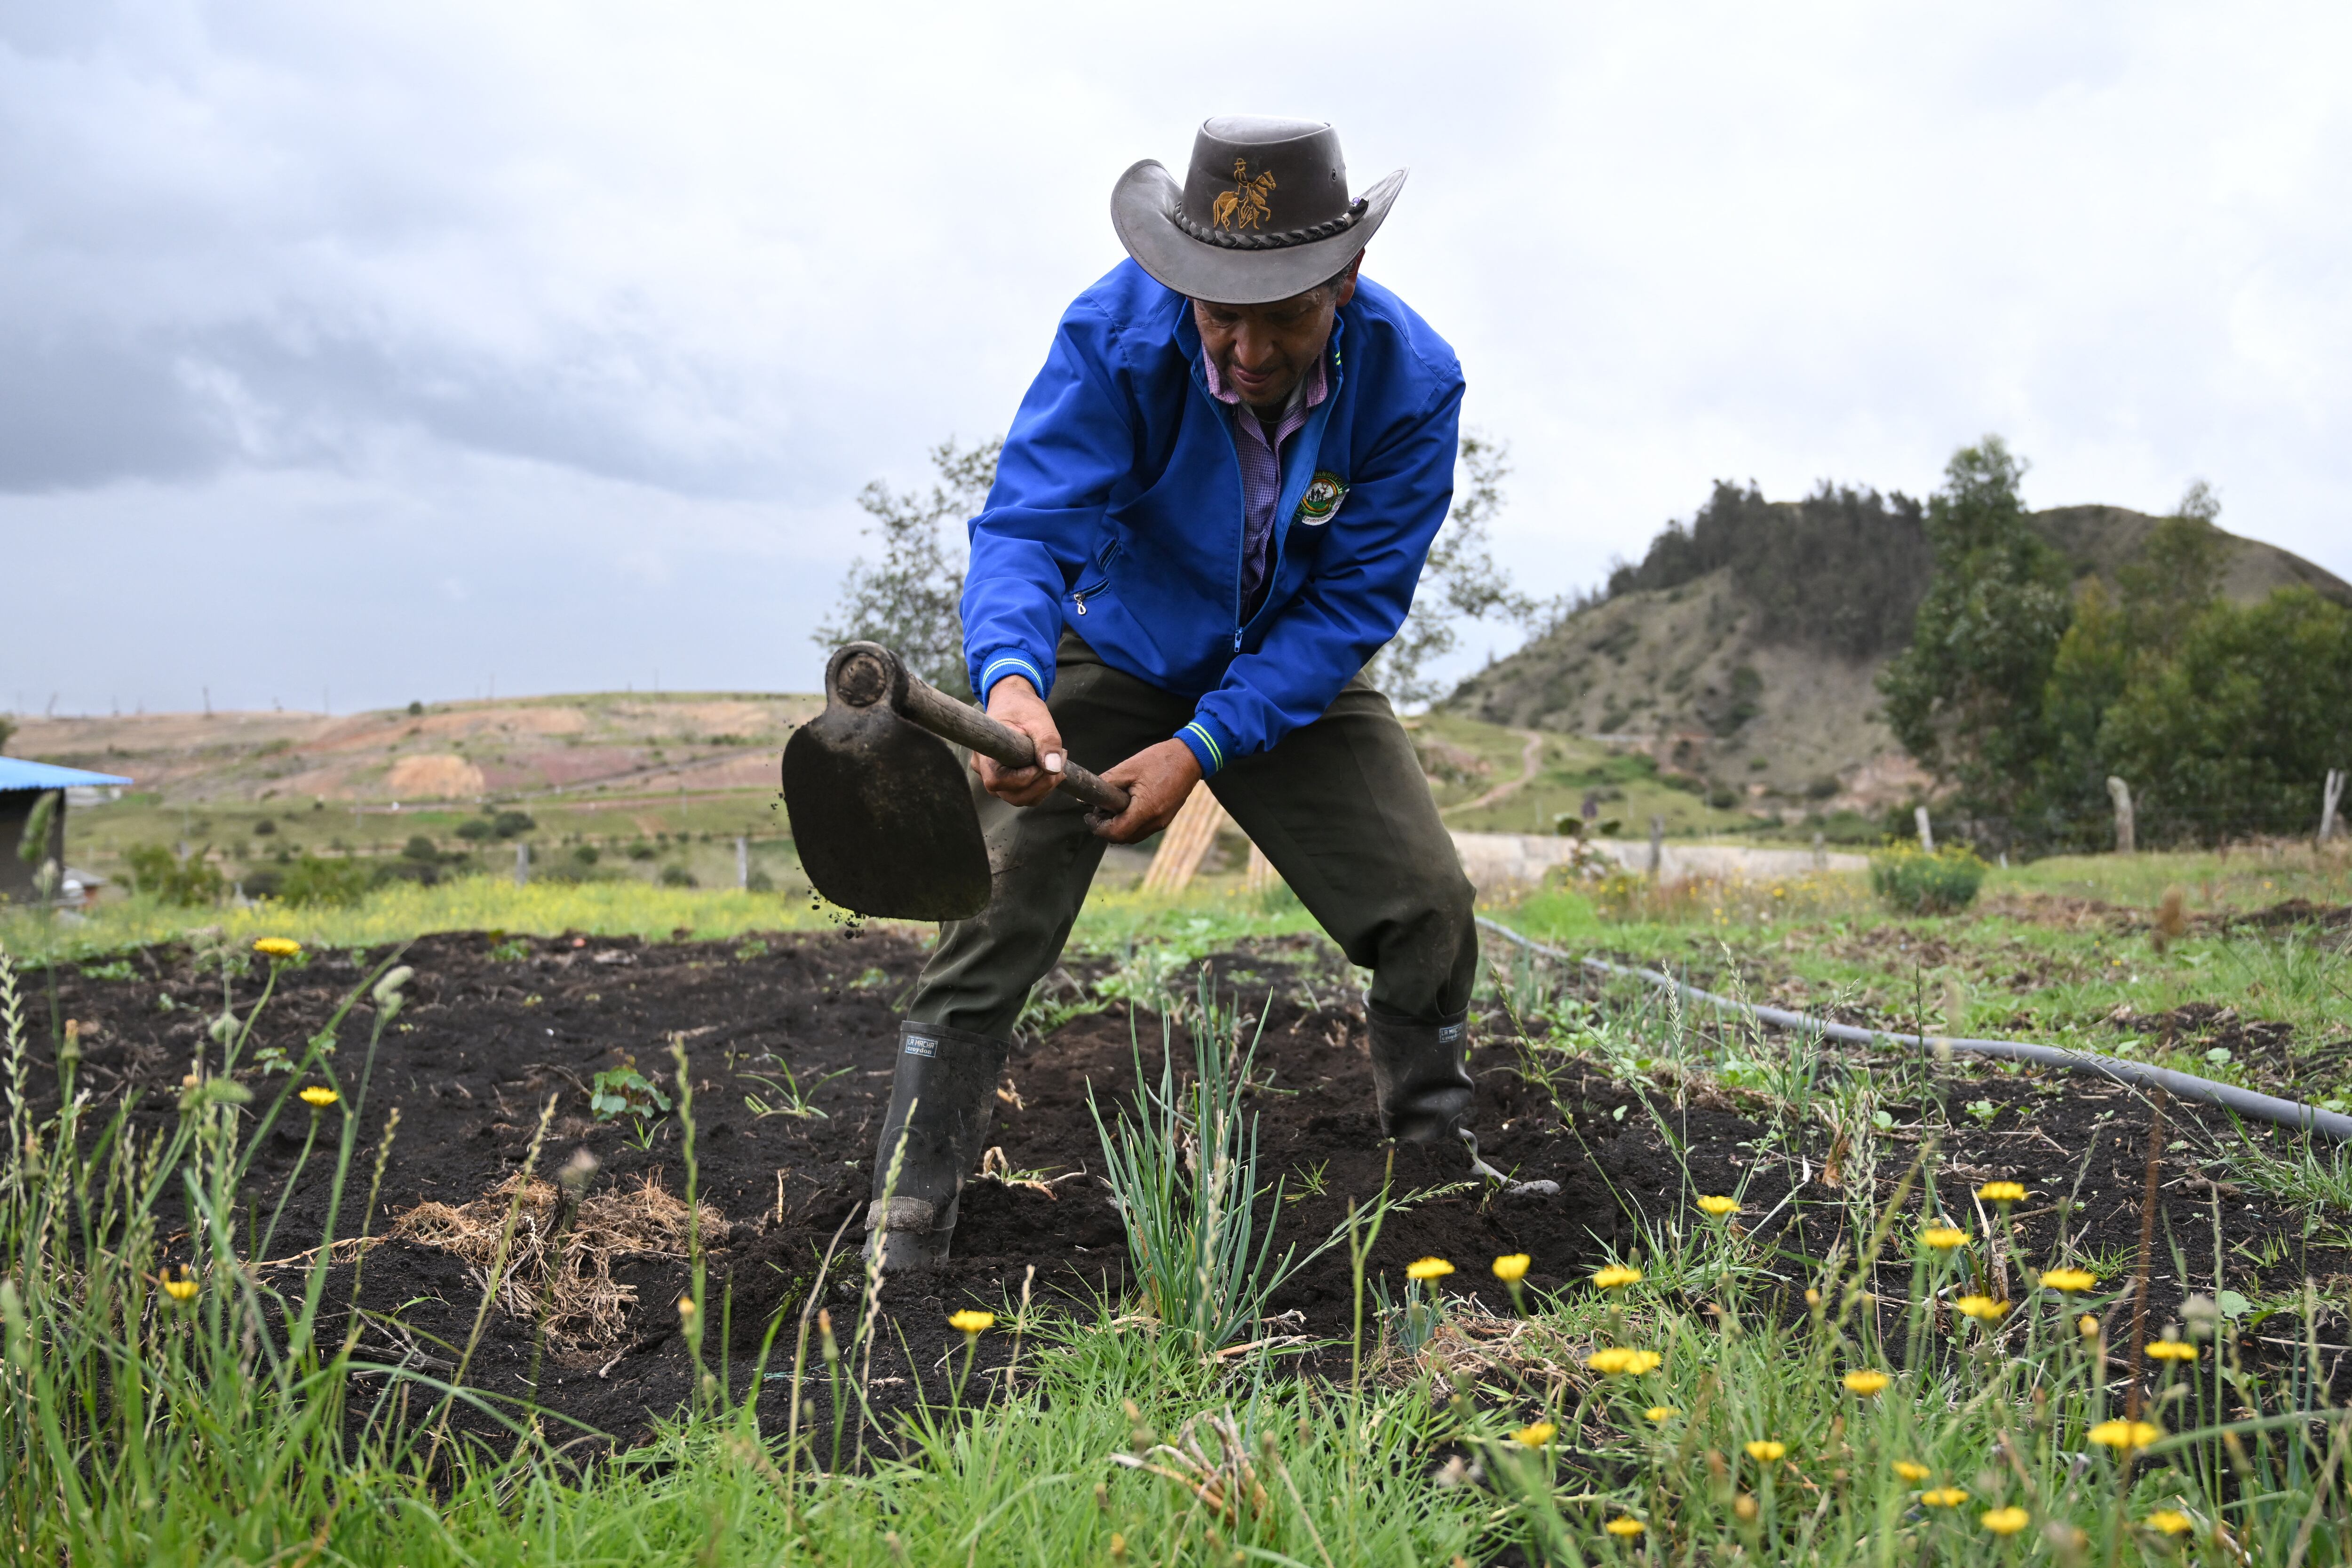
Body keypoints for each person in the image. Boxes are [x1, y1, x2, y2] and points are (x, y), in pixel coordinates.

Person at [867, 116, 1480, 1268]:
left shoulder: (1414, 381)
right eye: (1219, 311)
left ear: (1342, 280)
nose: (1246, 348)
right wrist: (1016, 683)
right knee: (999, 893)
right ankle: (910, 1202)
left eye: (1283, 313)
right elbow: (1026, 528)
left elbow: (1349, 605)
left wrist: (1202, 744)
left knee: (1427, 905)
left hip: (1285, 667)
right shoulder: (1114, 332)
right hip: (1124, 642)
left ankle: (1436, 1173)